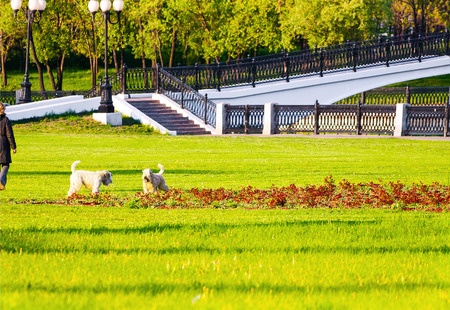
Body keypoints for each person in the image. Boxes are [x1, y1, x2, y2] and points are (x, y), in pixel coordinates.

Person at [0, 102, 17, 190]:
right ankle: (1, 181)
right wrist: (13, 146)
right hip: (3, 143)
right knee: (5, 164)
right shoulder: (5, 120)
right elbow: (9, 134)